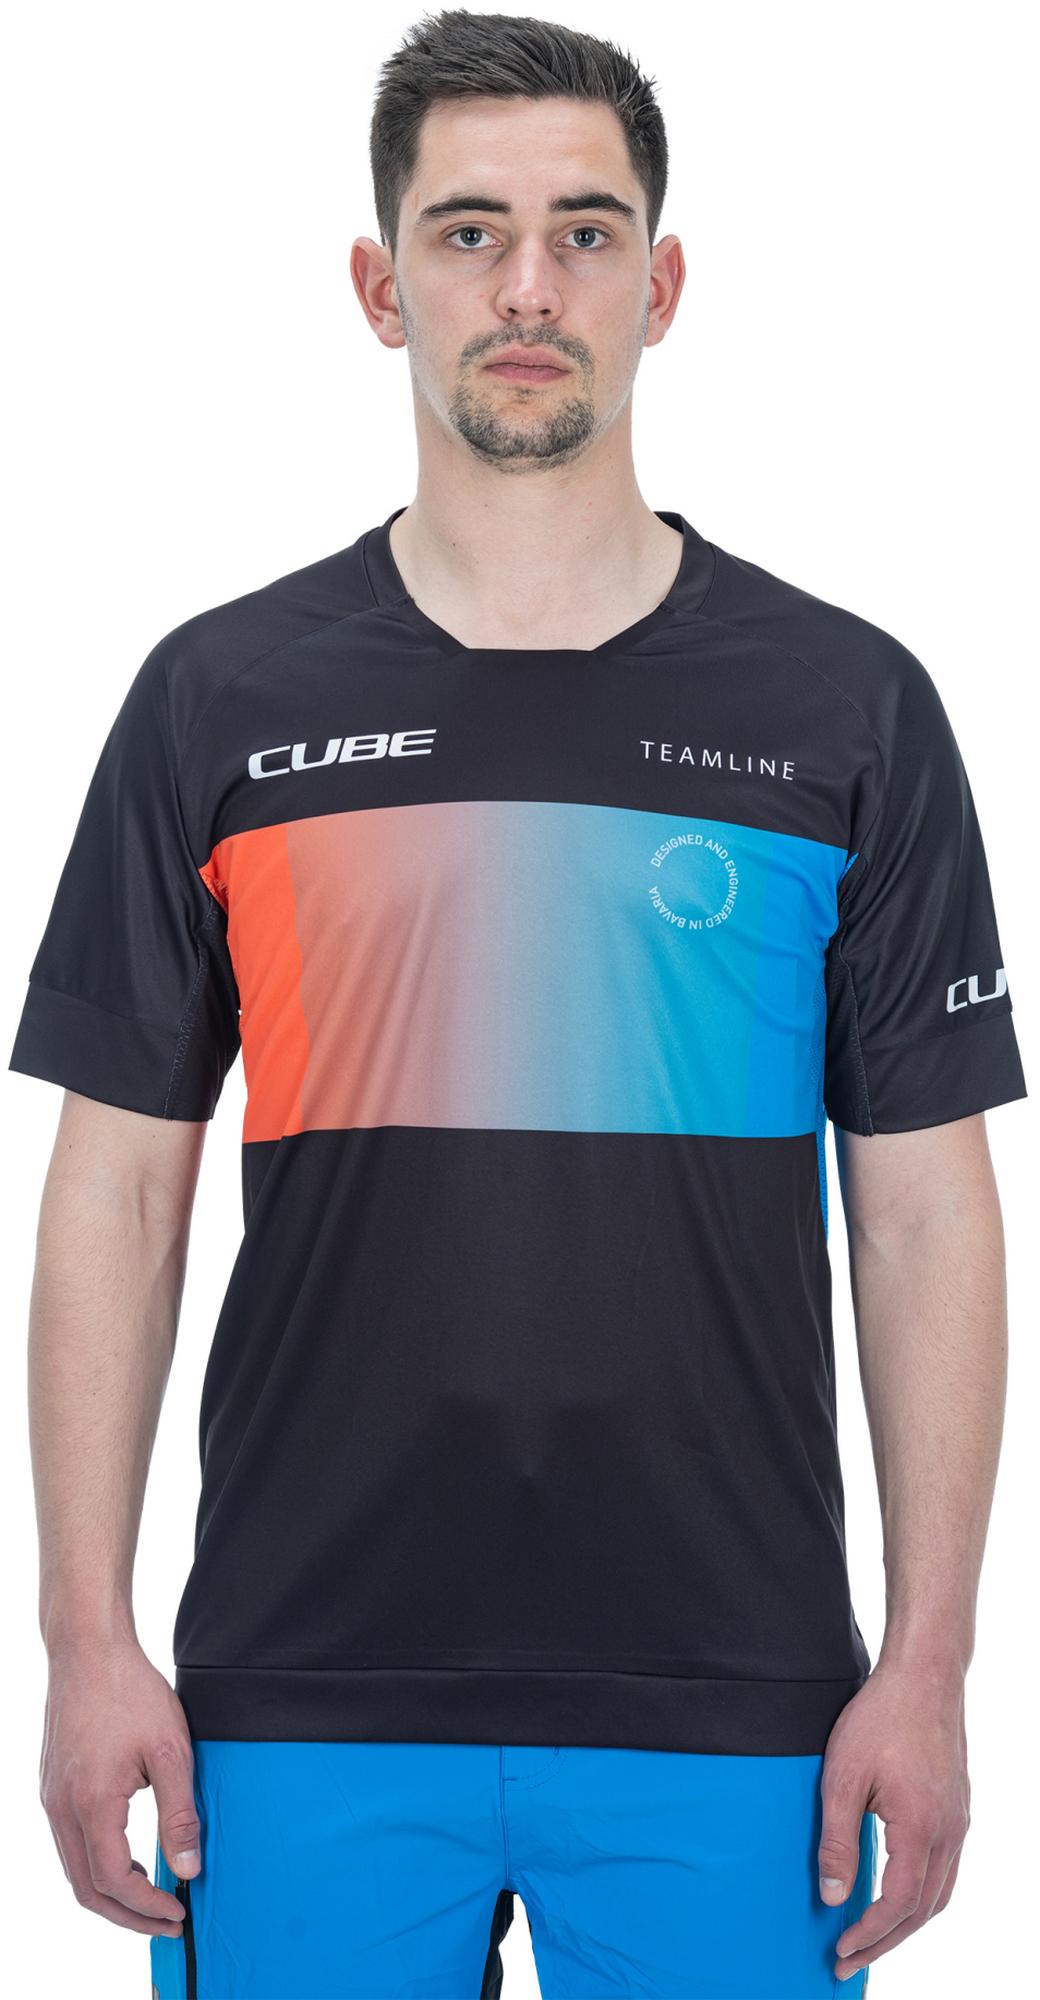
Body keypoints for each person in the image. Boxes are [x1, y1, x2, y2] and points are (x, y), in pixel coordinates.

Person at [9, 11, 1027, 1998]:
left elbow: (923, 1211)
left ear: (664, 282)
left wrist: (928, 1663)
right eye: (468, 231)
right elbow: (114, 1190)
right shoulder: (222, 702)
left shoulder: (849, 709)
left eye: (584, 230)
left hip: (738, 1699)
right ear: (379, 285)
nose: (529, 286)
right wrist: (80, 1638)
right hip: (297, 1690)